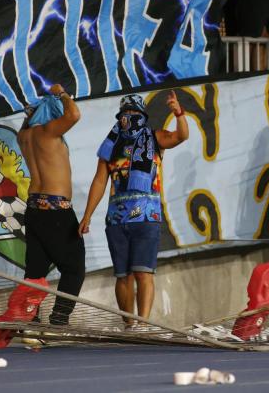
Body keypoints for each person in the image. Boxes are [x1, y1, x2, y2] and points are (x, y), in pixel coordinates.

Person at [80, 92, 188, 327]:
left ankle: (144, 323)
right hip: (117, 219)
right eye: (125, 114)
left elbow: (181, 136)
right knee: (122, 275)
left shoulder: (155, 137)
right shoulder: (110, 145)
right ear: (120, 116)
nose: (130, 117)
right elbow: (99, 181)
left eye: (134, 113)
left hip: (147, 216)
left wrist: (178, 113)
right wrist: (87, 215)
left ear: (142, 115)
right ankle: (130, 325)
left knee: (143, 273)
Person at [16, 84, 84, 325]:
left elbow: (28, 121)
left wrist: (34, 112)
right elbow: (74, 114)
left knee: (35, 271)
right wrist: (62, 94)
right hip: (56, 210)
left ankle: (30, 321)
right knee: (74, 268)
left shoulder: (23, 136)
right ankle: (58, 320)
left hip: (34, 208)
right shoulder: (49, 132)